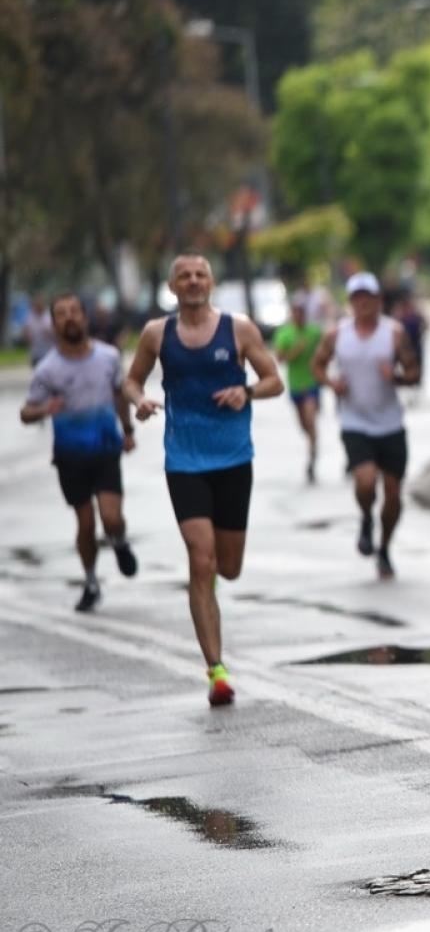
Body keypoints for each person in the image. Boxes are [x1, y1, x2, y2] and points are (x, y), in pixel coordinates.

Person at [124, 254, 283, 706]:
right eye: (184, 276)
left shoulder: (240, 329)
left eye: (200, 275)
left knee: (228, 567)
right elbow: (131, 381)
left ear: (211, 282)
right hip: (184, 461)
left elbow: (274, 380)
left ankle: (210, 587)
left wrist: (246, 391)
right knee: (201, 560)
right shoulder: (157, 334)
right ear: (172, 286)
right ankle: (215, 670)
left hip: (233, 459)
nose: (193, 282)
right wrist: (140, 401)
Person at [20, 293, 139, 612]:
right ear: (54, 323)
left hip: (105, 449)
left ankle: (119, 541)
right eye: (62, 313)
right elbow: (25, 413)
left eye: (75, 311)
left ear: (85, 318)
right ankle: (90, 581)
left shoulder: (109, 356)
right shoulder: (48, 369)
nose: (69, 317)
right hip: (70, 456)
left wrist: (127, 431)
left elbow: (119, 394)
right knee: (85, 524)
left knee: (112, 518)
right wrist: (46, 408)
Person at [312, 272, 420, 580]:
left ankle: (384, 547)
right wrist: (332, 383)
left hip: (390, 422)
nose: (362, 303)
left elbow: (414, 372)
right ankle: (365, 518)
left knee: (394, 494)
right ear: (350, 301)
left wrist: (396, 377)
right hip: (355, 421)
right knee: (365, 481)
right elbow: (317, 365)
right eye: (356, 298)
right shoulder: (337, 335)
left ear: (378, 300)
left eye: (368, 297)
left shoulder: (394, 333)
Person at [274, 292, 324, 483]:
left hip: (311, 384)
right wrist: (295, 352)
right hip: (295, 384)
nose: (299, 315)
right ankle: (311, 440)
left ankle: (312, 456)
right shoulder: (285, 333)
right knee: (304, 424)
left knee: (311, 420)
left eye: (302, 311)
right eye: (296, 311)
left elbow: (325, 349)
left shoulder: (314, 331)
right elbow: (279, 358)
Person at [23, 293, 55, 367]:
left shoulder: (49, 316)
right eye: (37, 303)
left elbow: (57, 333)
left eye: (40, 303)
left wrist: (50, 333)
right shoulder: (30, 317)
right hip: (35, 353)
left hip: (49, 353)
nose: (38, 305)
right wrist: (27, 336)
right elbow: (25, 333)